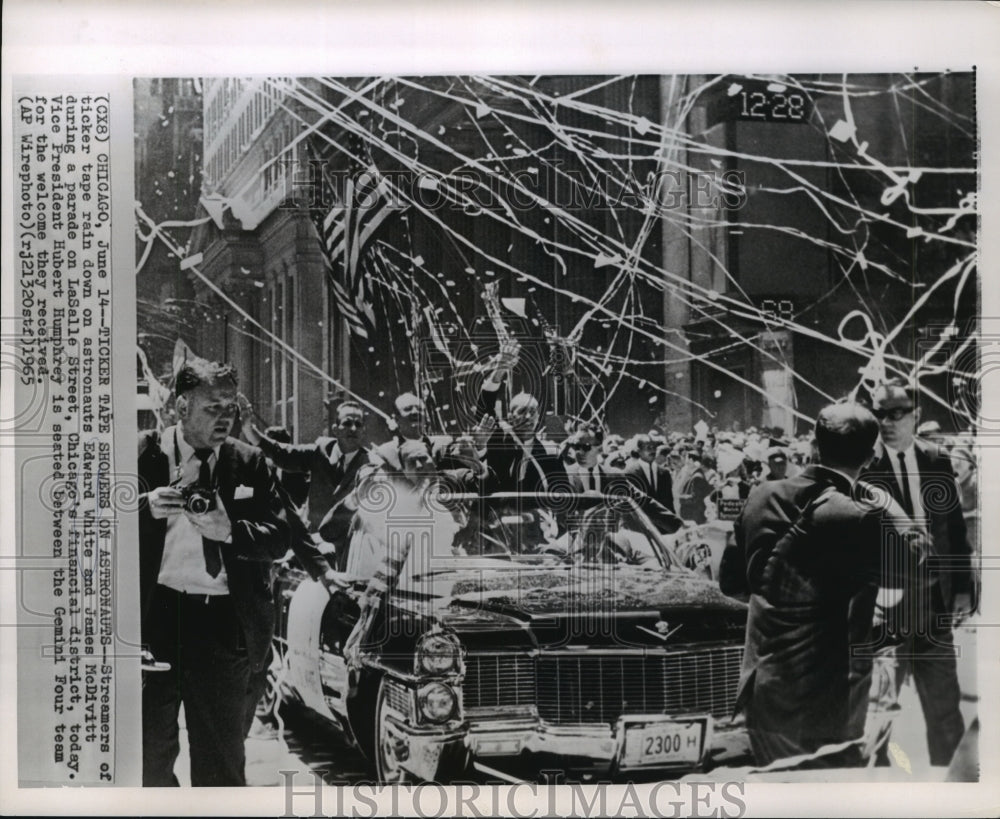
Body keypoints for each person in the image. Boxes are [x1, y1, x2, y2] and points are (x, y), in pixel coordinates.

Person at [733, 401, 925, 766]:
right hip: (828, 700)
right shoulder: (860, 515)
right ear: (871, 458)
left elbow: (733, 582)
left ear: (816, 447)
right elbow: (920, 569)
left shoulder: (760, 496)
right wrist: (889, 504)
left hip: (763, 688)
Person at [138, 360, 291, 786]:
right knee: (147, 757)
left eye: (231, 407)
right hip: (155, 620)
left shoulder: (250, 462)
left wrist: (232, 531)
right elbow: (86, 524)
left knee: (221, 762)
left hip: (221, 624)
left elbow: (280, 538)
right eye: (212, 408)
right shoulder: (138, 453)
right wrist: (142, 508)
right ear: (180, 406)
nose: (225, 417)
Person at [861, 380, 974, 766]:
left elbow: (954, 531)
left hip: (934, 605)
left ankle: (959, 795)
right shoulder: (863, 465)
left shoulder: (936, 460)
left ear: (916, 416)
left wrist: (962, 588)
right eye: (879, 413)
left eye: (896, 414)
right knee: (878, 710)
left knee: (945, 706)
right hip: (884, 608)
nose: (887, 422)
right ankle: (870, 792)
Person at [242, 400, 370, 570]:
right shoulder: (320, 452)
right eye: (347, 423)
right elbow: (281, 453)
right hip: (311, 549)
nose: (353, 429)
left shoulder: (371, 466)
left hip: (347, 552)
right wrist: (249, 430)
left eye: (358, 424)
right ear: (335, 429)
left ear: (363, 431)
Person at [476, 338, 568, 495]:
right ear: (510, 417)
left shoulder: (551, 453)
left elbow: (561, 494)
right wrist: (499, 371)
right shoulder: (498, 440)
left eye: (533, 412)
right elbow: (483, 408)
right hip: (498, 515)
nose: (528, 417)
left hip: (534, 517)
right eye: (521, 411)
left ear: (538, 417)